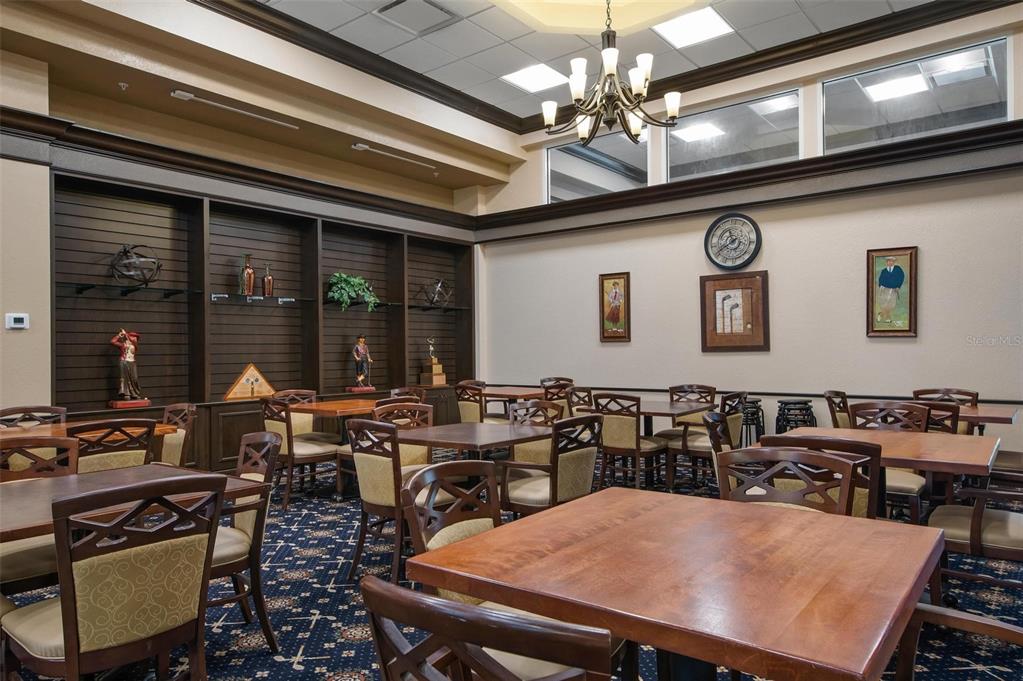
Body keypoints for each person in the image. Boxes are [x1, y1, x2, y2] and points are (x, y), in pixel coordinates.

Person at [110, 328, 144, 399]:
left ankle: (135, 392)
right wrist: (119, 335)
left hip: (132, 363)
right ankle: (127, 394)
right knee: (125, 378)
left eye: (136, 337)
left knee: (134, 378)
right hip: (124, 362)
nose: (135, 338)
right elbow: (112, 341)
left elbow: (132, 341)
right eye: (133, 336)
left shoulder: (134, 345)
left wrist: (126, 334)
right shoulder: (123, 345)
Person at [877, 256, 906, 325]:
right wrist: (881, 285)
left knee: (891, 304)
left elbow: (901, 277)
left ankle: (881, 314)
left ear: (894, 262)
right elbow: (880, 279)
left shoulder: (898, 269)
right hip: (885, 289)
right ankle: (888, 318)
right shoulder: (884, 271)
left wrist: (898, 286)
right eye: (889, 261)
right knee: (885, 303)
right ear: (887, 262)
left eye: (892, 261)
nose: (890, 262)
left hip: (894, 289)